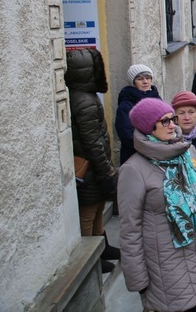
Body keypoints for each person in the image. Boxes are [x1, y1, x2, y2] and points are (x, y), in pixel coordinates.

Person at [119, 98, 196, 312]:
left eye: (172, 119)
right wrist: (138, 280)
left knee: (195, 304)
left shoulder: (186, 152)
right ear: (148, 127)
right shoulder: (133, 169)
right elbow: (130, 229)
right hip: (163, 260)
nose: (173, 125)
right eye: (165, 121)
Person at [65, 48, 120, 273]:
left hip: (93, 166)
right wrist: (105, 170)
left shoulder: (83, 96)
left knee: (98, 207)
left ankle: (102, 247)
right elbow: (92, 141)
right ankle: (91, 261)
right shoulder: (84, 100)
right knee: (88, 212)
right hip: (89, 167)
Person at [116, 63, 161, 164]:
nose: (145, 81)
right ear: (133, 83)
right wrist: (147, 148)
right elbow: (126, 133)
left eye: (148, 78)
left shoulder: (157, 98)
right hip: (134, 154)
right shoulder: (126, 104)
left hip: (158, 152)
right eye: (140, 79)